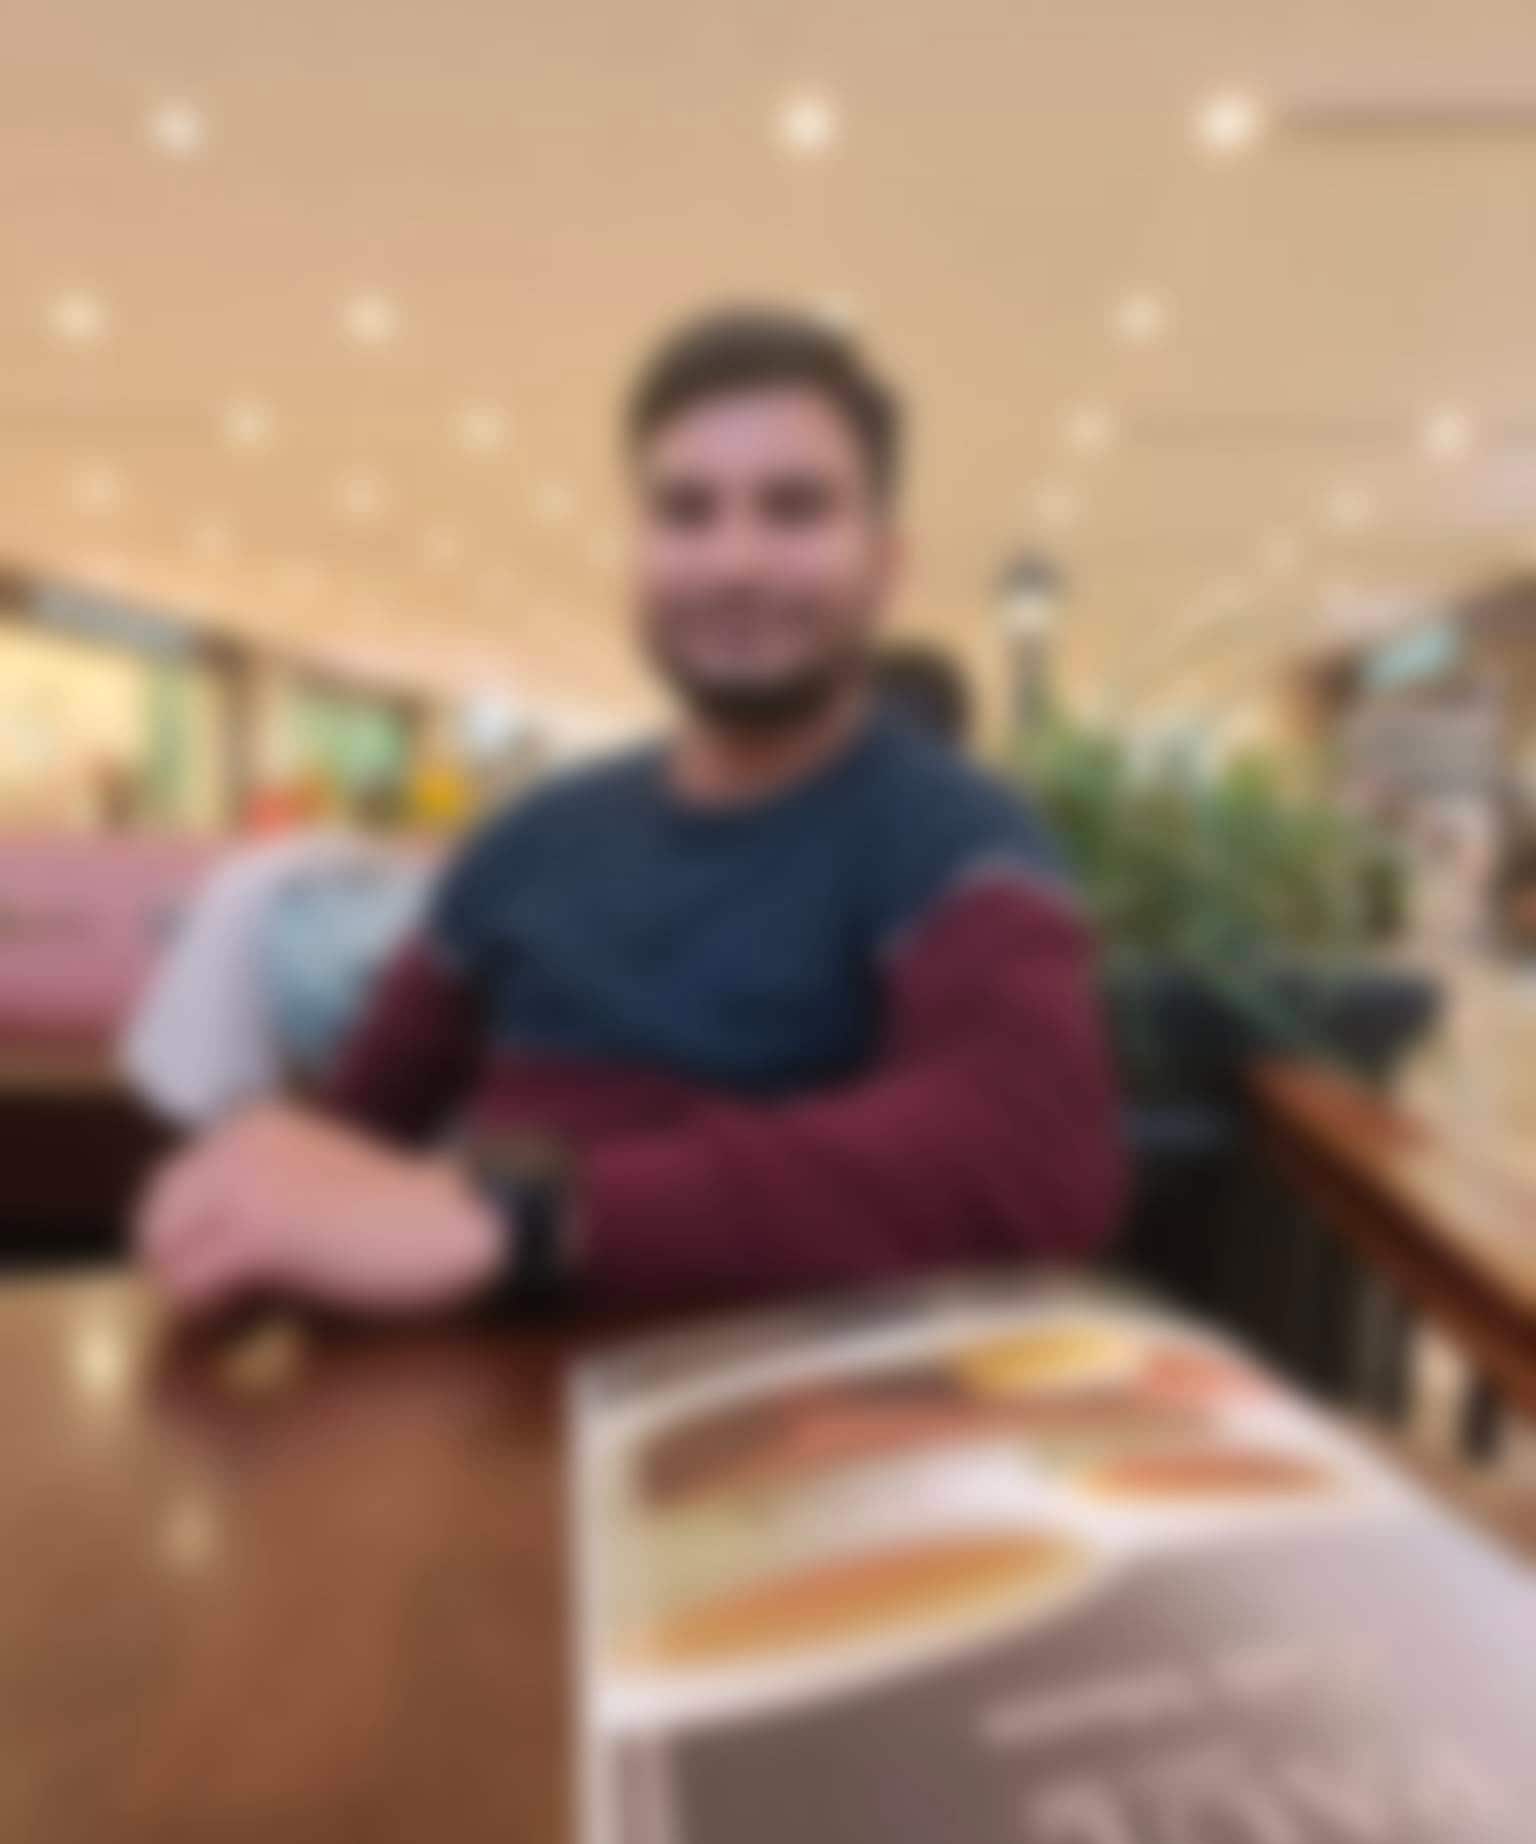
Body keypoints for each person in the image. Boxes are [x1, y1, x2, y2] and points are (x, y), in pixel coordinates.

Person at [137, 308, 1125, 1318]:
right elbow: (358, 1134)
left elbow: (1032, 1154)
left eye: (794, 509)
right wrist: (255, 1192)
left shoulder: (960, 841)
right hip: (471, 1391)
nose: (735, 560)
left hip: (798, 1392)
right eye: (685, 512)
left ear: (884, 565)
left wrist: (527, 1215)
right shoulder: (526, 842)